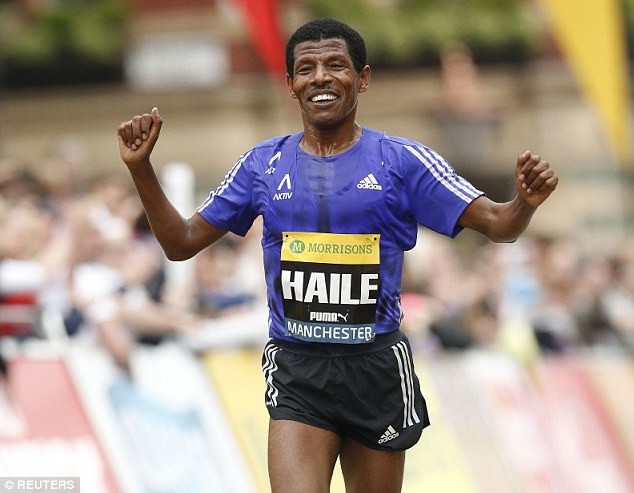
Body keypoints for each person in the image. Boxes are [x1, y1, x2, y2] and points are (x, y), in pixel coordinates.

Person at [117, 18, 558, 493]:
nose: (320, 77)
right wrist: (141, 169)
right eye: (306, 69)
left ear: (362, 78)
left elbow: (498, 225)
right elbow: (181, 243)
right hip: (298, 368)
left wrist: (524, 203)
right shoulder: (262, 165)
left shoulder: (401, 161)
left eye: (335, 65)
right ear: (291, 84)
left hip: (375, 367)